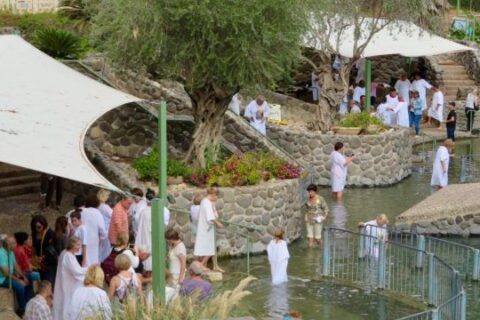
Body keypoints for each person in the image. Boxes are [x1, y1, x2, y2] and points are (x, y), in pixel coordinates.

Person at [53, 236, 88, 320]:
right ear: (72, 244)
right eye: (78, 245)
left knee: (62, 301)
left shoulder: (64, 253)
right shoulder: (68, 255)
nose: (79, 247)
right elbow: (77, 271)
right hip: (67, 283)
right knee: (67, 301)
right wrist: (89, 269)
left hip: (65, 280)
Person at [135, 189, 169, 273]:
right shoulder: (155, 213)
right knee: (151, 268)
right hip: (150, 243)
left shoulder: (143, 212)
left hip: (143, 242)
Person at [194, 187, 224, 271]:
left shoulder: (204, 201)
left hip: (205, 228)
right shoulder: (206, 203)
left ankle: (205, 266)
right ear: (213, 194)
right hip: (206, 229)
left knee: (207, 248)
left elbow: (213, 214)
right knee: (210, 249)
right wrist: (218, 223)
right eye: (217, 195)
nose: (217, 197)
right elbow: (210, 217)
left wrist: (213, 205)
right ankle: (201, 265)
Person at [0, 235, 33, 314]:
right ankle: (22, 309)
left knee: (29, 278)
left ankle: (28, 302)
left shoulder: (11, 252)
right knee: (20, 286)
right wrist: (18, 280)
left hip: (9, 276)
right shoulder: (1, 253)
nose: (16, 245)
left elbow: (15, 265)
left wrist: (23, 276)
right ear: (9, 244)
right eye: (14, 243)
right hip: (3, 279)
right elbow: (5, 272)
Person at [82, 194, 107, 266]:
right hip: (93, 241)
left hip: (80, 240)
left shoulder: (81, 211)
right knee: (91, 263)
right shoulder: (97, 213)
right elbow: (103, 231)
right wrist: (100, 238)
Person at [30, 215, 56, 283]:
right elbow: (34, 246)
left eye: (39, 227)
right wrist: (34, 257)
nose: (37, 229)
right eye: (35, 227)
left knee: (47, 282)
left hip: (48, 262)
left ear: (44, 225)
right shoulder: (34, 233)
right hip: (39, 262)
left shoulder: (49, 233)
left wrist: (43, 257)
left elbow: (53, 249)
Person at [97, 189, 113, 263]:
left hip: (98, 230)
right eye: (107, 195)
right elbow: (113, 215)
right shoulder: (105, 207)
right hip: (106, 230)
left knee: (99, 249)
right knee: (105, 250)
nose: (108, 197)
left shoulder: (97, 205)